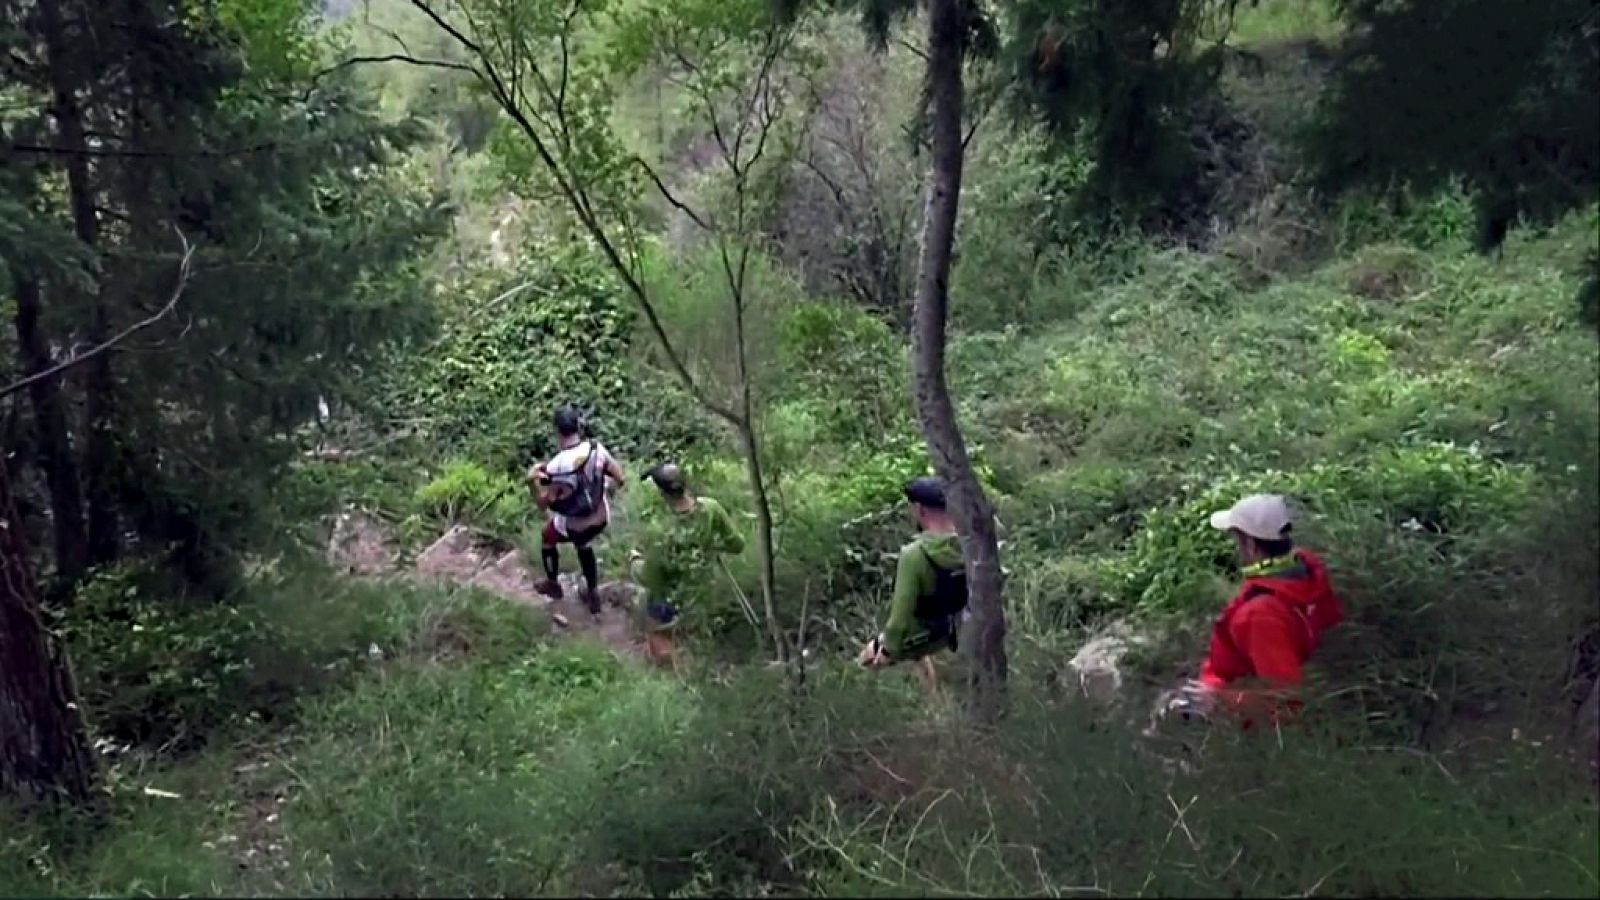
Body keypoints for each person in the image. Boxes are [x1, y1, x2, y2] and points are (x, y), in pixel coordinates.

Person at [1161, 493, 1345, 730]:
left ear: (1249, 544)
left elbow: (1287, 702)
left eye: (1238, 540)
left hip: (1237, 721)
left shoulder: (1260, 615)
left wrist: (1218, 701)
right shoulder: (1307, 570)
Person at [858, 477, 968, 695]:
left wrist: (886, 650)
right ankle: (933, 701)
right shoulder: (971, 543)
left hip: (931, 633)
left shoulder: (914, 555)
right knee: (919, 653)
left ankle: (859, 702)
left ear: (920, 510)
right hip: (959, 627)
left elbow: (899, 622)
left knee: (865, 660)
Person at [634, 463, 745, 668]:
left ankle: (666, 663)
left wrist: (635, 562)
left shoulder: (661, 530)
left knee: (654, 610)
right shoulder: (711, 508)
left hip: (671, 599)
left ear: (662, 493)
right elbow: (737, 545)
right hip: (702, 591)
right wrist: (711, 547)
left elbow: (651, 580)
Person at [528, 407, 625, 615]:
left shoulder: (557, 466)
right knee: (584, 543)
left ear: (557, 431)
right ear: (578, 427)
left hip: (575, 524)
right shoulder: (596, 449)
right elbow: (620, 478)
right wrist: (605, 491)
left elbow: (543, 504)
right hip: (601, 517)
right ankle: (593, 593)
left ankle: (553, 584)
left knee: (547, 535)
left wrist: (531, 482)